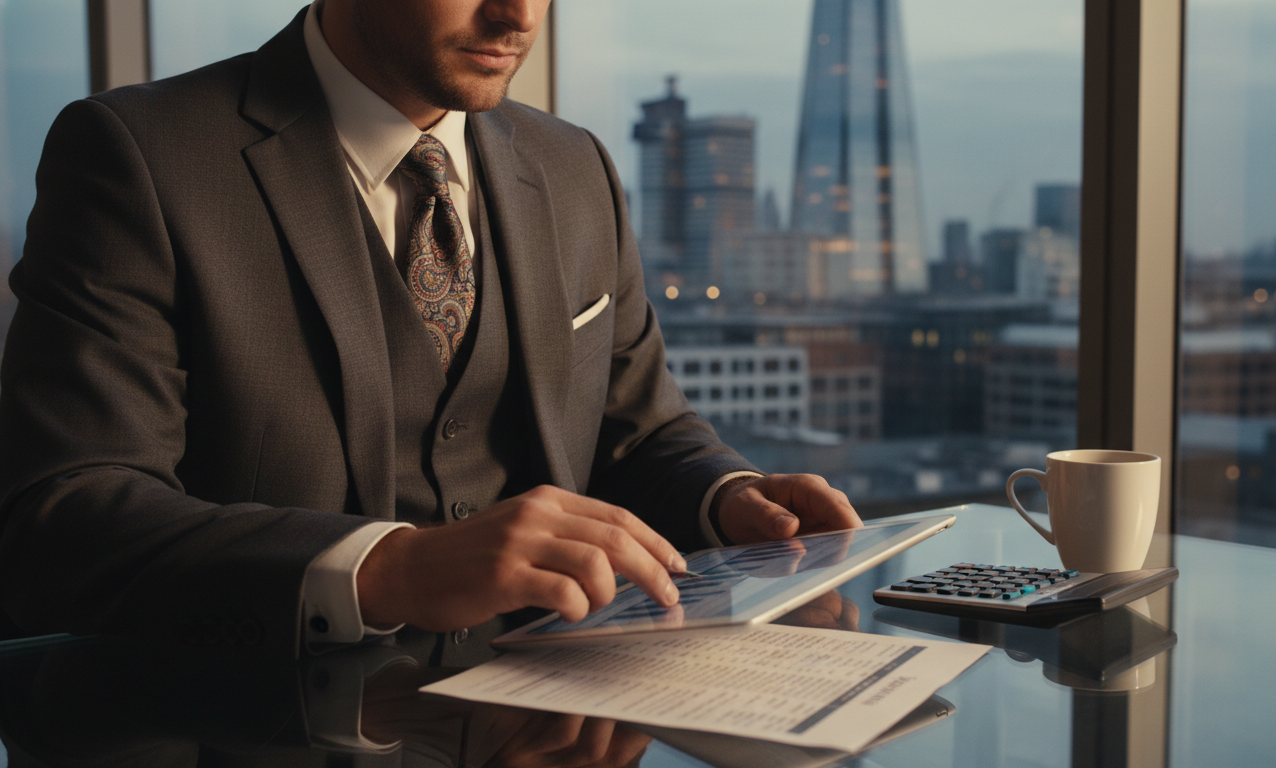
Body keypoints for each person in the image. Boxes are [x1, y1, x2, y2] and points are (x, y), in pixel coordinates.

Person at [0, 0, 860, 657]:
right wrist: (389, 570)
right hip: (264, 717)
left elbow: (638, 429)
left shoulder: (575, 166)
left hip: (558, 710)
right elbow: (67, 513)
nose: (519, 15)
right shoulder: (139, 155)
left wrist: (728, 497)